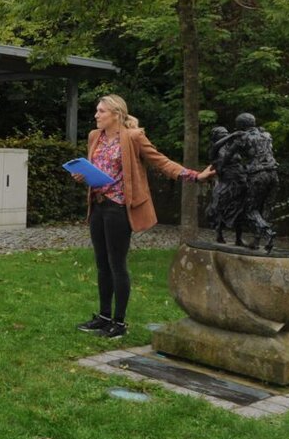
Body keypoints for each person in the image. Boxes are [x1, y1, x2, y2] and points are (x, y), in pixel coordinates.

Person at [73, 94, 213, 339]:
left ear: (116, 114)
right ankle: (103, 316)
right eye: (97, 111)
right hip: (97, 206)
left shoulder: (133, 137)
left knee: (117, 264)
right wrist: (83, 176)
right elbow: (98, 169)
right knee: (101, 264)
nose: (96, 115)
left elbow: (161, 162)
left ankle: (119, 323)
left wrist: (194, 175)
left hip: (119, 209)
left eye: (101, 111)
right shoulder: (94, 136)